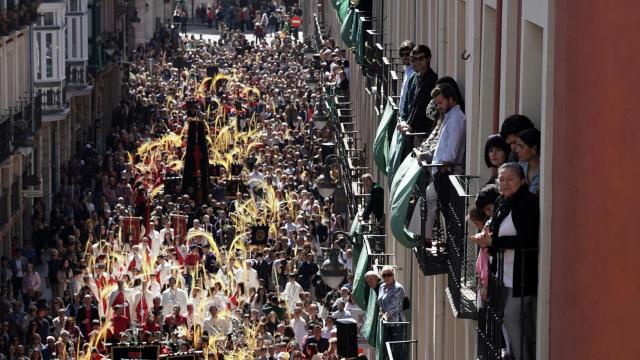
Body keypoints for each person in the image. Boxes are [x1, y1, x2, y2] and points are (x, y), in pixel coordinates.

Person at [470, 163, 539, 360]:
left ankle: (521, 356)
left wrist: (493, 241)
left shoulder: (528, 203)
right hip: (504, 274)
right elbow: (497, 234)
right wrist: (487, 241)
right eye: (502, 179)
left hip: (522, 275)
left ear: (522, 180)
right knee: (517, 320)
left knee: (511, 317)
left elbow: (528, 239)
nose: (505, 183)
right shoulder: (501, 202)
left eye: (510, 179)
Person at [423, 83, 466, 247]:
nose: (438, 107)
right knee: (433, 201)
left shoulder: (456, 119)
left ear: (451, 99)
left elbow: (452, 150)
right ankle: (428, 238)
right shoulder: (450, 118)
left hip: (446, 172)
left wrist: (442, 167)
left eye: (440, 103)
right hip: (441, 171)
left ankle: (451, 243)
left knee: (448, 211)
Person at [397, 45, 439, 159]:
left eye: (420, 59)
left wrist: (409, 126)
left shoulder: (432, 79)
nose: (416, 62)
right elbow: (407, 102)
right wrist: (404, 121)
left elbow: (420, 107)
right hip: (411, 130)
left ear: (428, 59)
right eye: (414, 59)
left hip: (422, 133)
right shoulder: (413, 78)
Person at [514, 128, 541, 194]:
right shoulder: (518, 167)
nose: (517, 150)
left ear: (533, 149)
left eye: (521, 146)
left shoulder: (544, 171)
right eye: (517, 147)